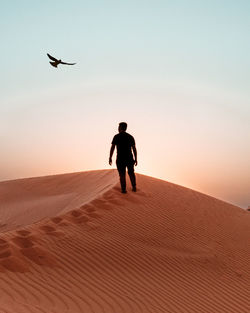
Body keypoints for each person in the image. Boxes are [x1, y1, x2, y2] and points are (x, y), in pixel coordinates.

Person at [109, 122, 137, 193]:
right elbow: (134, 149)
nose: (118, 128)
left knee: (122, 174)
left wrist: (110, 157)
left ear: (121, 128)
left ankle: (123, 189)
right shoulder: (130, 137)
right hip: (129, 158)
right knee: (131, 173)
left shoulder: (116, 136)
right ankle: (134, 187)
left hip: (120, 159)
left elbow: (112, 147)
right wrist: (136, 158)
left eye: (118, 127)